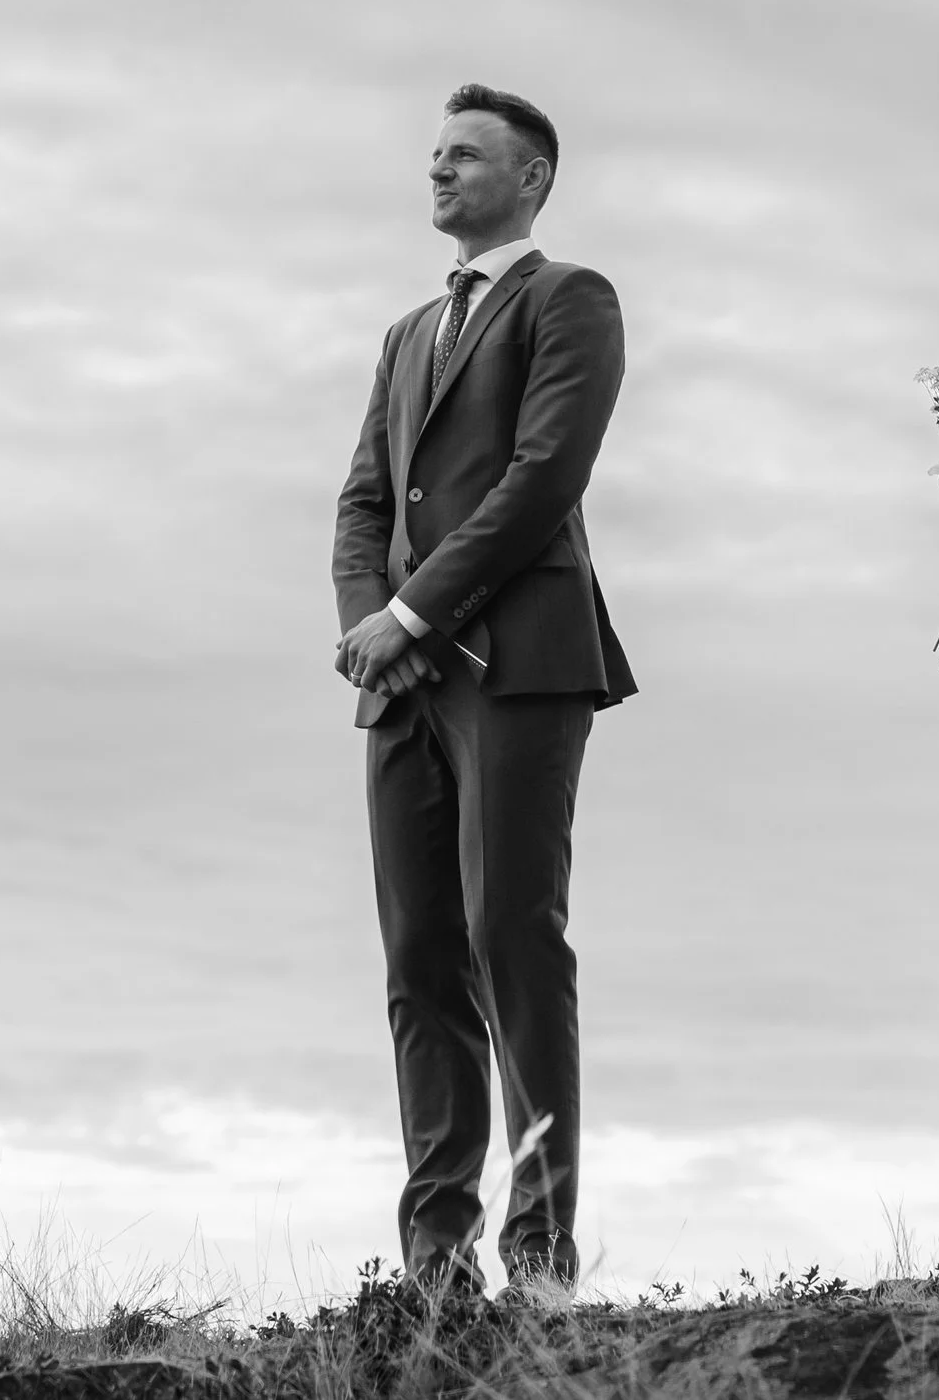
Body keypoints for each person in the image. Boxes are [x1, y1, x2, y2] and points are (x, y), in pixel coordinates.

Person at [335, 83, 634, 1290]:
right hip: (401, 684)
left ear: (532, 179)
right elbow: (363, 502)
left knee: (515, 939)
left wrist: (415, 611)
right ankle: (433, 1261)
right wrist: (372, 626)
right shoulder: (406, 333)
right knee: (418, 959)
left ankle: (542, 1250)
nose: (440, 173)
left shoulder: (571, 299)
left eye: (465, 156)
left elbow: (543, 475)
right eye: (435, 157)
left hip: (520, 663)